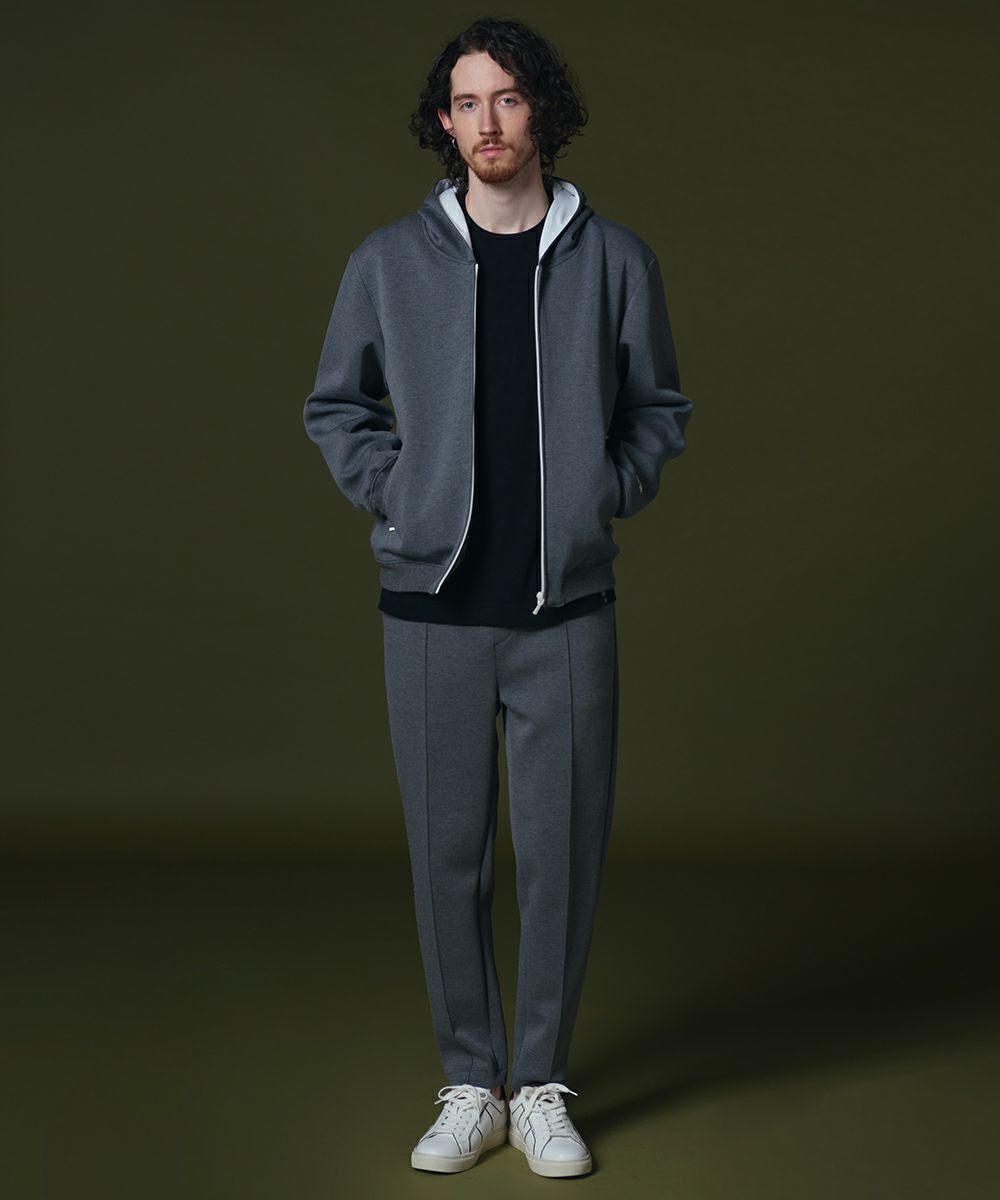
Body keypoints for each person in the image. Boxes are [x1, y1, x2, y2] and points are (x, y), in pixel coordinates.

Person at [303, 15, 693, 1179]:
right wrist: (402, 497)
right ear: (443, 119)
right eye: (467, 101)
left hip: (563, 612)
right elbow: (337, 407)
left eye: (508, 98)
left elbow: (656, 409)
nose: (487, 121)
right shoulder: (387, 263)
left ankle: (542, 1084)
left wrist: (600, 495)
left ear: (542, 113)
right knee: (448, 857)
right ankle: (471, 1081)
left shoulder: (614, 260)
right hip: (431, 612)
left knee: (561, 856)